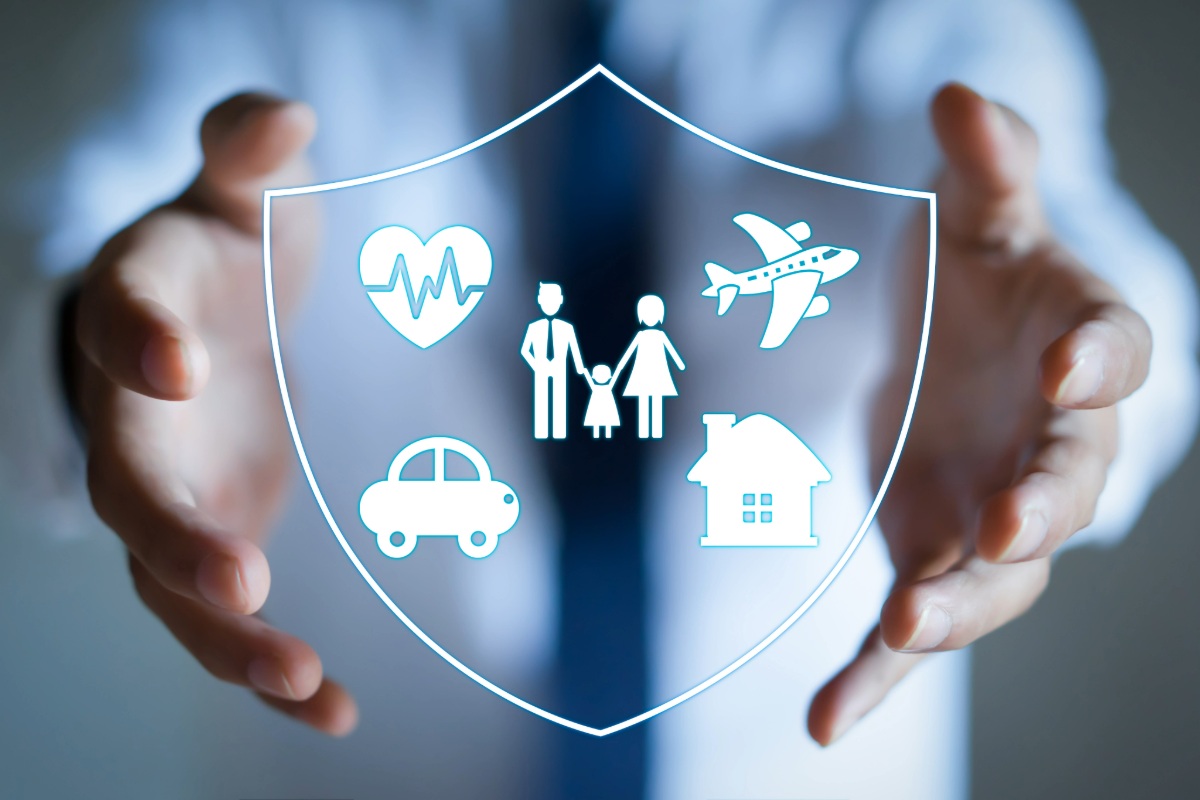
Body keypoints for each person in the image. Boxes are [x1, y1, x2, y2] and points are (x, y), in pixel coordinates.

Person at [0, 2, 1196, 798]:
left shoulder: (931, 15)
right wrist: (99, 358)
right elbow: (66, 249)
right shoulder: (243, 16)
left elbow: (1080, 236)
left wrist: (1066, 377)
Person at [613, 294, 687, 439]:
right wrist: (620, 367)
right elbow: (628, 354)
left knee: (657, 404)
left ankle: (656, 432)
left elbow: (671, 351)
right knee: (643, 404)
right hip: (642, 374)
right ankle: (644, 431)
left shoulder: (660, 336)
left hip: (659, 374)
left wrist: (680, 364)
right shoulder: (640, 336)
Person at [520, 282, 586, 440]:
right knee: (541, 403)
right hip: (541, 372)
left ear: (560, 301)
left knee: (559, 403)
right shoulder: (534, 328)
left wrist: (580, 369)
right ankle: (543, 432)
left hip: (560, 371)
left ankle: (558, 432)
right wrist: (538, 366)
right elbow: (525, 351)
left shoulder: (566, 328)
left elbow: (574, 350)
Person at [582, 363, 621, 439]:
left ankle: (607, 436)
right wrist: (585, 372)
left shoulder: (607, 387)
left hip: (607, 405)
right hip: (597, 405)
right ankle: (596, 436)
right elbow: (588, 380)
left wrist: (585, 372)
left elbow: (616, 376)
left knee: (608, 422)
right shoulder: (596, 388)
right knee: (596, 422)